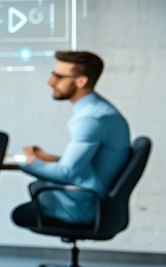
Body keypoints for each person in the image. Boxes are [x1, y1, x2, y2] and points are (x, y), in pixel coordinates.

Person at [12, 51, 130, 227]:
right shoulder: (99, 110)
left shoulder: (90, 118)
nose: (50, 82)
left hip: (81, 207)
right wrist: (49, 159)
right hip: (92, 198)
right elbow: (90, 164)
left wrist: (24, 163)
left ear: (81, 81)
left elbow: (66, 173)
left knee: (20, 215)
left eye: (58, 77)